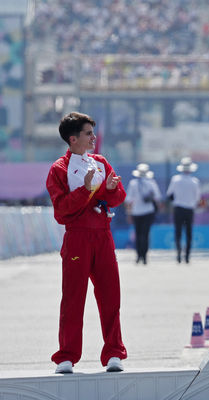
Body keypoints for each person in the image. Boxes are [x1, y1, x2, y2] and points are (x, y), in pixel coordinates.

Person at [46, 112, 127, 374]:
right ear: (73, 139)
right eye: (88, 133)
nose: (94, 138)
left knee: (110, 296)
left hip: (103, 235)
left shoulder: (101, 162)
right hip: (77, 237)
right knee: (73, 298)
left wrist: (111, 188)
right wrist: (88, 189)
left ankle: (114, 353)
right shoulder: (59, 169)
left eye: (93, 132)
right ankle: (66, 357)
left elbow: (117, 198)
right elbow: (61, 212)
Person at [125, 163, 161, 265]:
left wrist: (128, 214)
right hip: (148, 212)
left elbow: (128, 200)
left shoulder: (133, 183)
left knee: (138, 234)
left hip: (136, 212)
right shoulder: (151, 183)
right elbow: (157, 198)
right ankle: (144, 256)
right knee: (145, 234)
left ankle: (138, 255)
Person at [166, 157, 201, 263]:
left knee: (178, 232)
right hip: (189, 209)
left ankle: (178, 254)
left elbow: (169, 194)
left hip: (178, 208)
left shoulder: (175, 180)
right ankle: (187, 256)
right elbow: (197, 198)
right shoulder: (194, 181)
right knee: (189, 233)